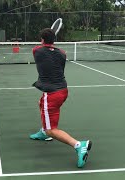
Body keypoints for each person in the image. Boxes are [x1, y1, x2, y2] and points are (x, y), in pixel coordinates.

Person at [29, 28, 92, 168]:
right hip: (63, 91)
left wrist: (45, 42)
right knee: (41, 103)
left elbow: (40, 49)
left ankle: (78, 145)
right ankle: (43, 132)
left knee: (52, 129)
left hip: (52, 94)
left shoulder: (36, 51)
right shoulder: (62, 54)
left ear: (42, 40)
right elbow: (53, 54)